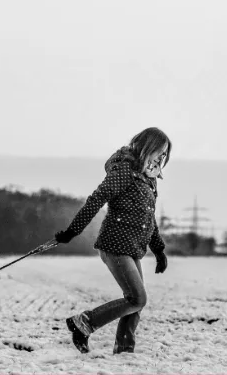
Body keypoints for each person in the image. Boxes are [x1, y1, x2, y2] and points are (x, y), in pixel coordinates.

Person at [54, 127, 171, 354]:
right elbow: (96, 199)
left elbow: (149, 217)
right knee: (137, 298)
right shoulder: (125, 170)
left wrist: (159, 250)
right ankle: (84, 323)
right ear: (147, 146)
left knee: (135, 303)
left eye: (165, 154)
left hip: (133, 248)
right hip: (115, 245)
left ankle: (124, 352)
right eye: (159, 151)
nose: (162, 157)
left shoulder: (150, 178)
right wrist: (72, 231)